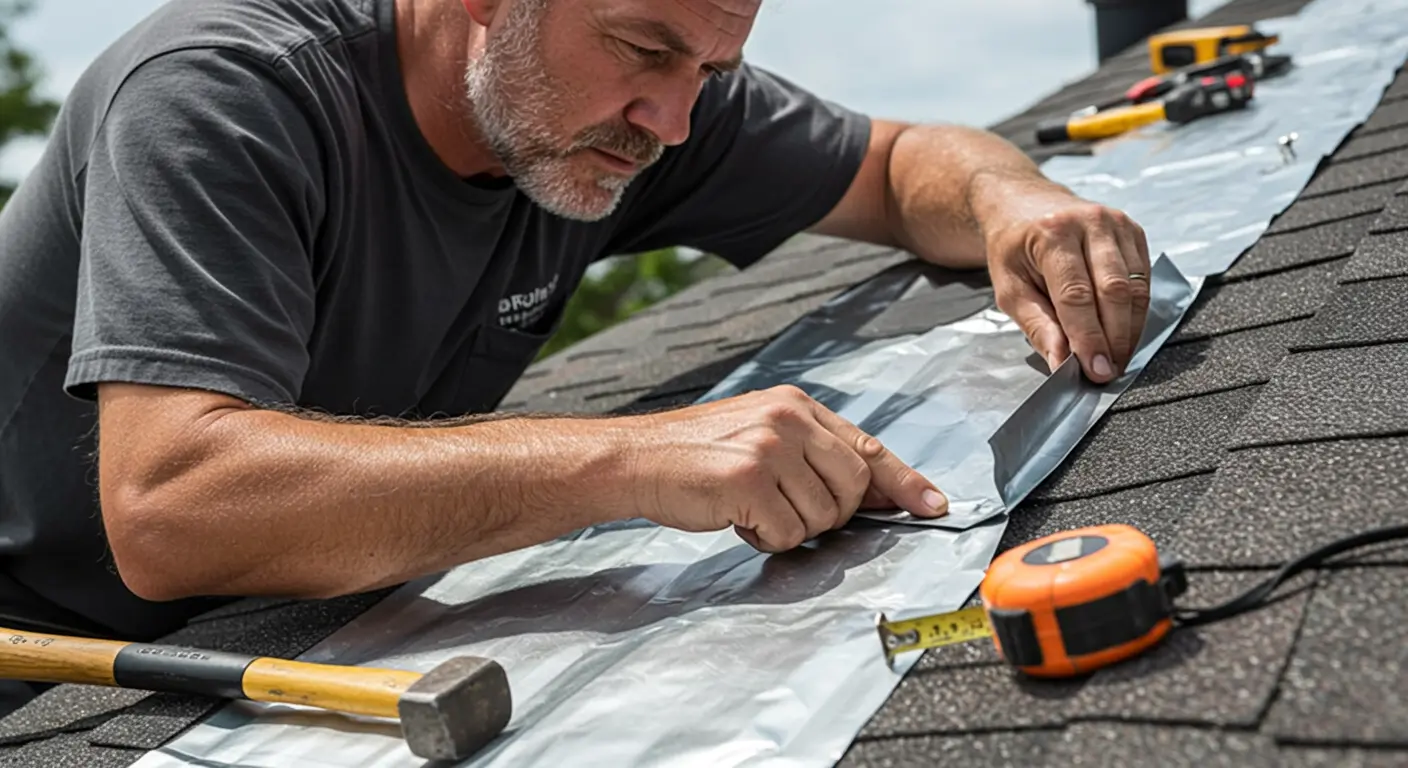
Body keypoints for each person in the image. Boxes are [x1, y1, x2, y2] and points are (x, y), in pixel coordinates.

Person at [0, 0, 1150, 662]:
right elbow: (173, 510)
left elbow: (902, 163)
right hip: (46, 665)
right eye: (645, 52)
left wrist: (1017, 200)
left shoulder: (635, 106)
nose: (676, 118)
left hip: (289, 614)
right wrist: (635, 456)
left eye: (713, 68)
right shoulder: (224, 95)